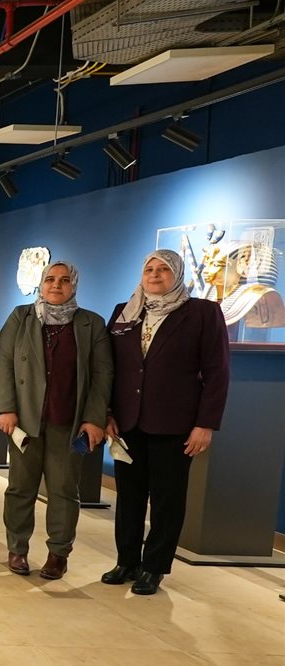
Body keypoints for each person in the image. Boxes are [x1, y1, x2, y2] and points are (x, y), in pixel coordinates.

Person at [103, 249, 230, 595]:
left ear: (178, 274)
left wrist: (206, 424)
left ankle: (154, 567)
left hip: (175, 424)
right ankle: (127, 560)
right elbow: (109, 368)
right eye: (149, 268)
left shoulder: (202, 313)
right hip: (127, 422)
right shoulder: (125, 311)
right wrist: (107, 413)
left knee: (167, 499)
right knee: (129, 496)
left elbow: (217, 372)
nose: (155, 274)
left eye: (163, 269)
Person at [0, 261, 112, 579]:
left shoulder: (91, 323)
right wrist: (5, 408)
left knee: (63, 489)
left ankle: (58, 554)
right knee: (20, 488)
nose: (56, 285)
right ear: (41, 284)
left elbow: (102, 376)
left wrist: (94, 419)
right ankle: (17, 549)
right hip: (24, 422)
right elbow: (3, 363)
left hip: (67, 421)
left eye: (64, 280)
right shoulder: (21, 317)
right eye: (50, 279)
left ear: (74, 285)